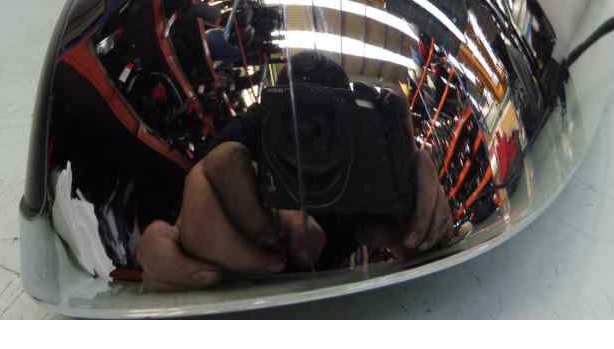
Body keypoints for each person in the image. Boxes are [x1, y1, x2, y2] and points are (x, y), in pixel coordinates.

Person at [137, 51, 453, 290]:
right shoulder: (256, 127)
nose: (310, 134)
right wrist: (185, 248)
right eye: (294, 118)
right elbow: (211, 177)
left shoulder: (363, 151)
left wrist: (418, 231)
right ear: (272, 108)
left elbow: (407, 242)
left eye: (328, 119)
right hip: (251, 287)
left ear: (352, 118)